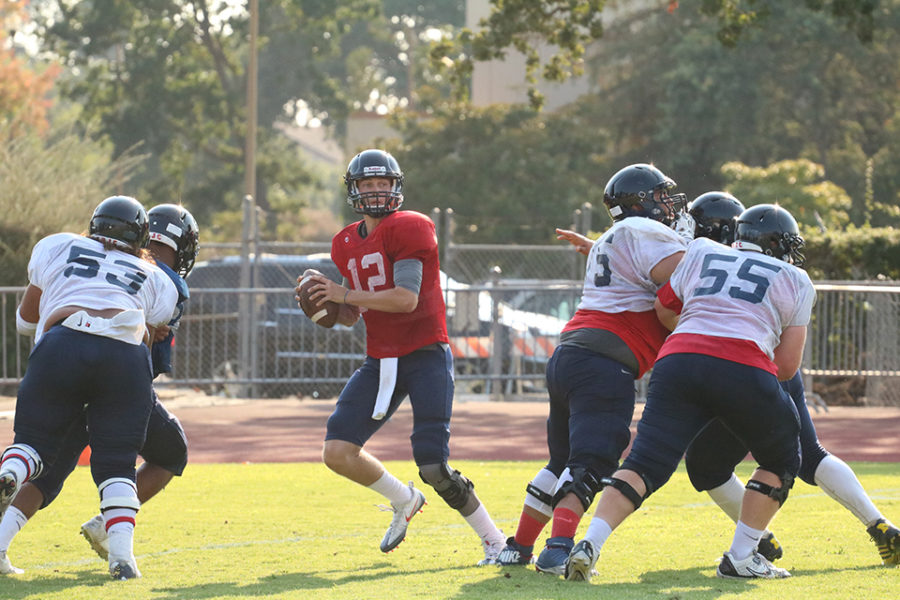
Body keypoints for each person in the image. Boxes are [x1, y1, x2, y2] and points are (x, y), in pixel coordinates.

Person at [564, 203, 815, 582]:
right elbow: (786, 367)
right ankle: (742, 556)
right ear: (779, 243)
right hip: (742, 365)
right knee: (782, 458)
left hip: (678, 359)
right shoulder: (795, 278)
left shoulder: (700, 249)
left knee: (644, 463)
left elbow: (663, 308)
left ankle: (591, 543)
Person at [295, 149, 506, 565]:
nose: (376, 191)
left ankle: (495, 541)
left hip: (425, 354)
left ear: (396, 187)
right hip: (381, 359)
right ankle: (404, 499)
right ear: (353, 190)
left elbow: (406, 299)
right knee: (337, 451)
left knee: (433, 465)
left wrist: (343, 294)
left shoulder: (411, 226)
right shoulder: (344, 242)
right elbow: (357, 311)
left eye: (382, 183)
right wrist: (329, 304)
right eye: (367, 184)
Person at [685, 194, 900, 566]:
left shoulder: (703, 257)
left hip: (736, 367)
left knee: (731, 462)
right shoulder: (778, 272)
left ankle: (752, 543)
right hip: (763, 366)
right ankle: (875, 525)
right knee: (804, 455)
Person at [495, 163, 689, 574]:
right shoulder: (646, 231)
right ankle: (559, 549)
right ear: (641, 202)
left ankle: (519, 547)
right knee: (592, 462)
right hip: (605, 361)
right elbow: (679, 284)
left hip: (569, 354)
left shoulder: (615, 237)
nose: (667, 205)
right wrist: (697, 255)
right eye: (660, 197)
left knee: (560, 460)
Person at [0, 196, 178, 580]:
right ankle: (123, 560)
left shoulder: (58, 245)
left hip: (63, 342)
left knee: (33, 443)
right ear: (141, 237)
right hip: (123, 356)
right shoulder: (158, 277)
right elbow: (149, 331)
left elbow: (24, 322)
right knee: (117, 465)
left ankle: (11, 471)